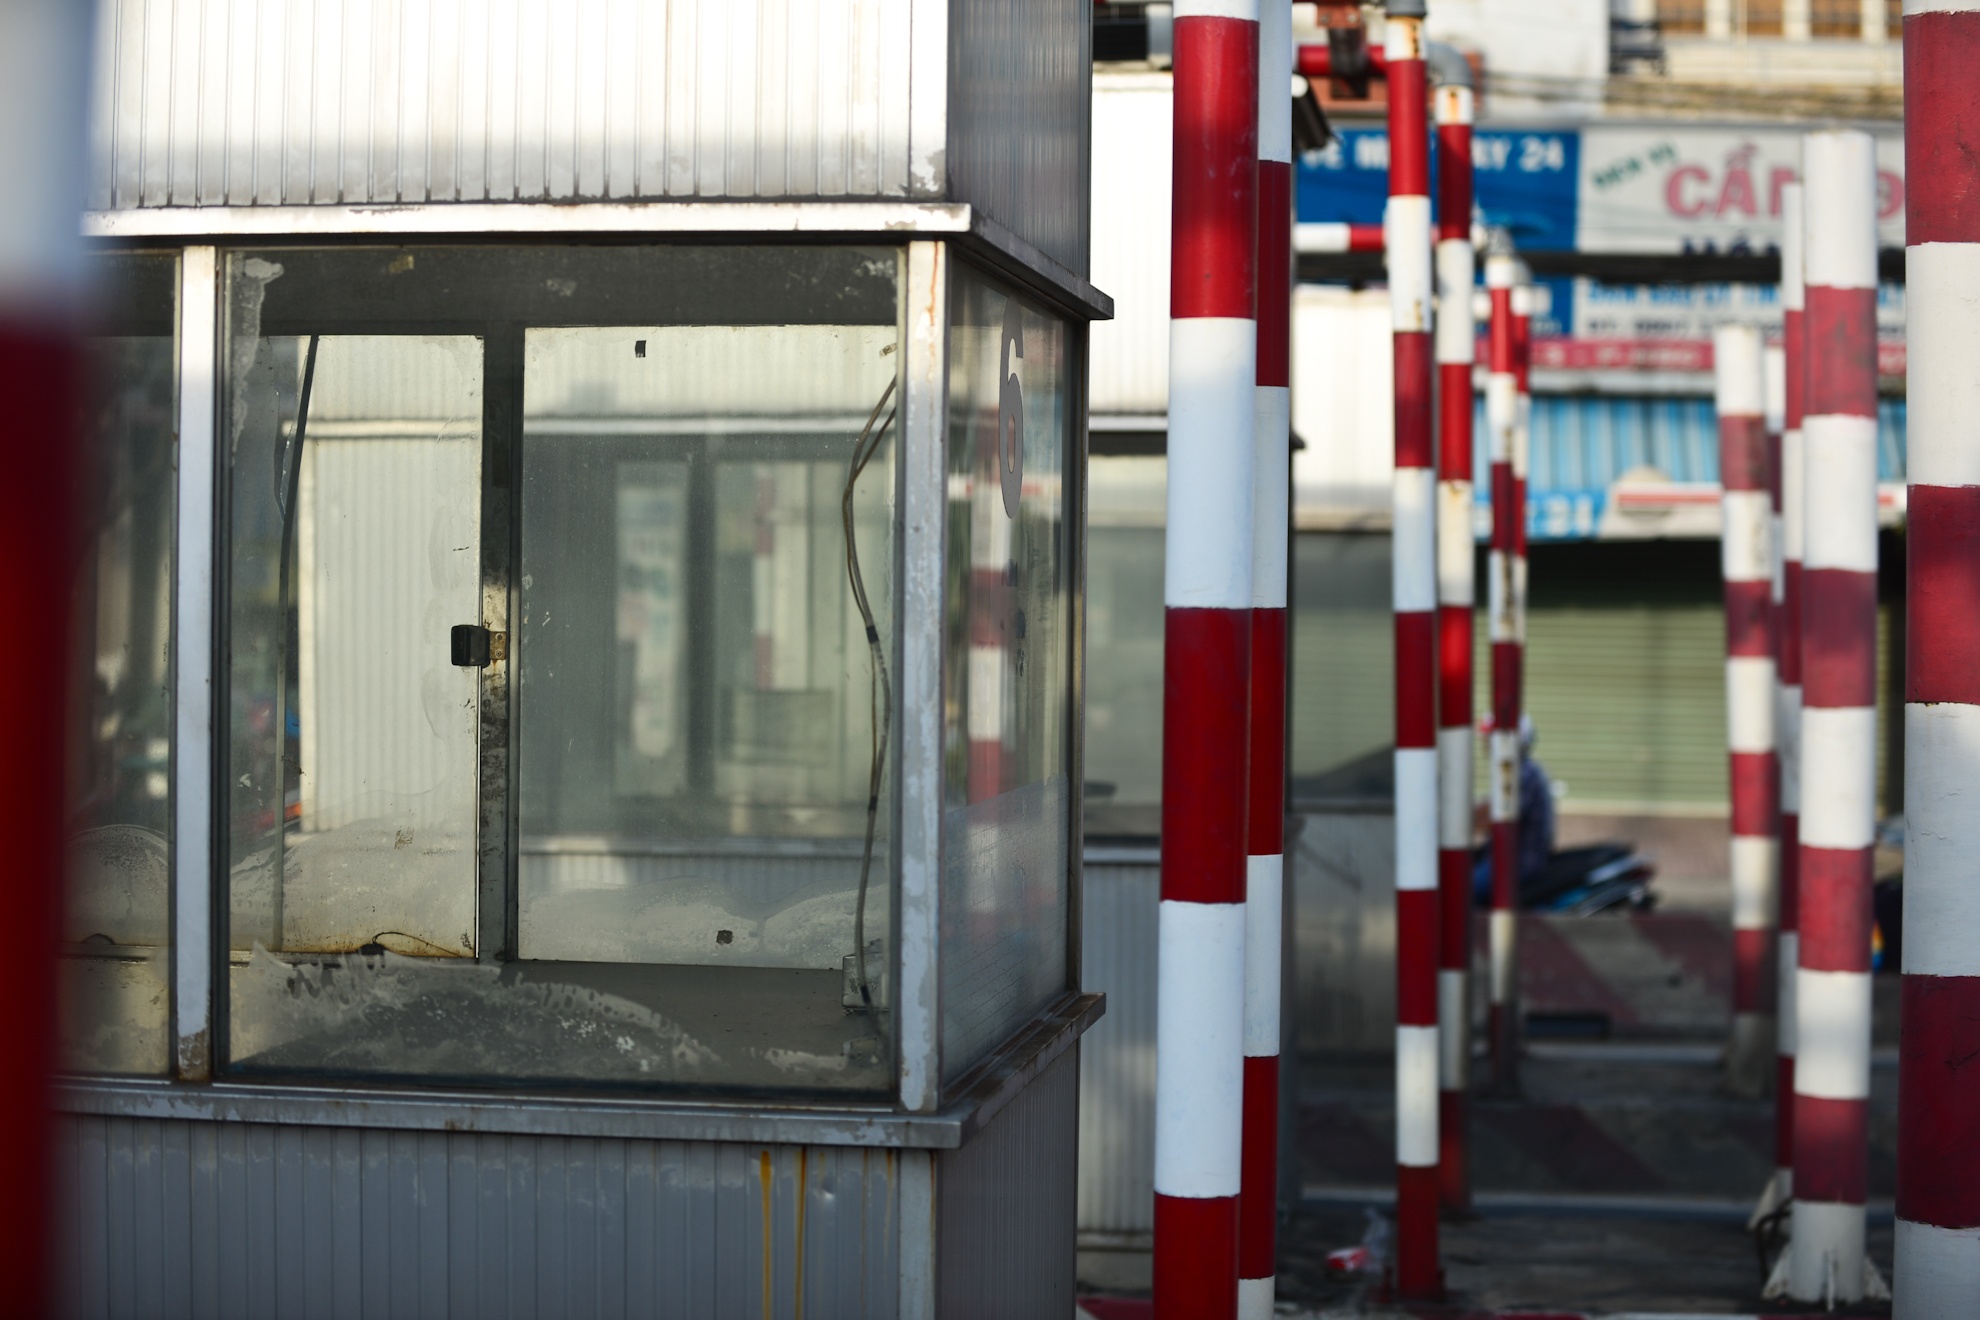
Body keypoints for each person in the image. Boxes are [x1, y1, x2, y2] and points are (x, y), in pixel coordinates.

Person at [1474, 714, 1557, 905]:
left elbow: (1498, 814)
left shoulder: (1523, 774)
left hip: (1518, 863)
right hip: (1508, 858)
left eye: (1490, 740)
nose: (1486, 747)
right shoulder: (1519, 771)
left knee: (1463, 890)